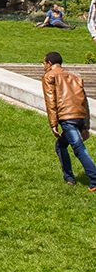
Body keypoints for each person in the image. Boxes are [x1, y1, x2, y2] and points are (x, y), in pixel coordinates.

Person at [41, 51, 96, 190]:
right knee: (60, 145)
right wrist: (85, 125)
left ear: (49, 63)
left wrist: (53, 124)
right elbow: (84, 101)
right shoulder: (74, 77)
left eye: (44, 63)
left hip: (67, 118)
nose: (43, 66)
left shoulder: (49, 76)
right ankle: (69, 178)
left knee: (79, 149)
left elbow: (51, 101)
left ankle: (94, 178)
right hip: (80, 116)